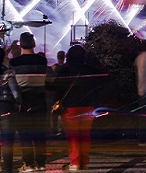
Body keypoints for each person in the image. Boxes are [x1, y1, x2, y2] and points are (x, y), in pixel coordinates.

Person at [53, 44, 104, 172]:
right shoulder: (91, 70)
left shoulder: (64, 70)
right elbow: (100, 87)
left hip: (70, 108)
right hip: (88, 108)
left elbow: (56, 89)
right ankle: (84, 162)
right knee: (85, 136)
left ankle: (75, 162)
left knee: (73, 137)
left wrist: (55, 102)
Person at [9, 32, 50, 171]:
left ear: (20, 44)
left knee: (24, 134)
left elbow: (13, 83)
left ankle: (28, 163)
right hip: (40, 99)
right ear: (34, 44)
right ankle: (41, 163)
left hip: (23, 101)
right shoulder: (42, 61)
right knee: (40, 133)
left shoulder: (14, 62)